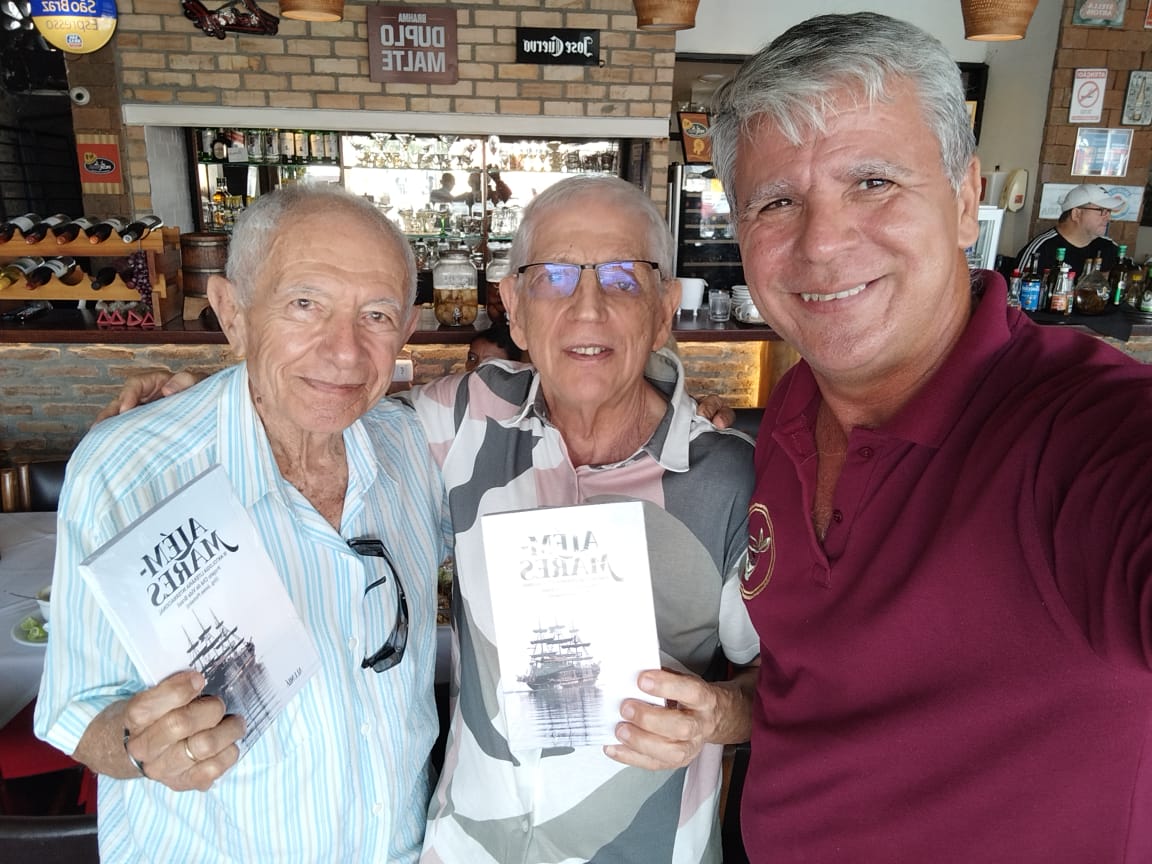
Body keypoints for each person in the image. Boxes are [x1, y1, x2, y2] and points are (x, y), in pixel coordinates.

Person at [97, 175, 759, 864]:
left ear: (663, 309)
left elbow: (784, 685)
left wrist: (718, 714)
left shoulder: (730, 480)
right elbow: (326, 398)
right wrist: (204, 404)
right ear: (514, 309)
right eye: (554, 277)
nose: (587, 308)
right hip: (467, 846)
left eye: (623, 278)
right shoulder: (455, 419)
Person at [710, 12, 1152, 862]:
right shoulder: (791, 414)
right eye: (777, 201)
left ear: (963, 200)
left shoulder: (1080, 429)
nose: (822, 243)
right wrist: (731, 709)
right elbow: (831, 676)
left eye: (873, 182)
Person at [36, 185, 450, 862]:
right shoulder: (130, 468)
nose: (345, 352)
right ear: (232, 313)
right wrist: (141, 747)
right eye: (305, 304)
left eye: (375, 315)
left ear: (405, 331)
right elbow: (75, 711)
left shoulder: (410, 448)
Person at [1015, 183, 1123, 278]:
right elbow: (1015, 288)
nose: (1108, 218)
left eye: (1109, 211)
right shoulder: (1040, 249)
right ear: (1076, 214)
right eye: (1102, 211)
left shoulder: (1108, 248)